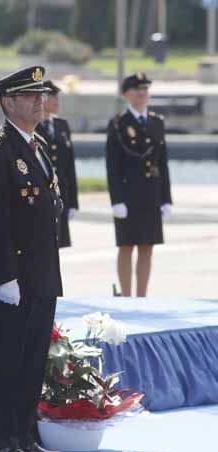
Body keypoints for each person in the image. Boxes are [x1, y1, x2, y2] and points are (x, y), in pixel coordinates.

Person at [0, 66, 63, 452]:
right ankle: (1, 438)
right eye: (29, 95)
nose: (39, 101)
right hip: (15, 273)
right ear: (8, 102)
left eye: (41, 94)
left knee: (33, 359)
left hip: (42, 271)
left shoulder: (37, 144)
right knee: (7, 357)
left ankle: (25, 432)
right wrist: (3, 274)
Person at [106, 73, 172, 297]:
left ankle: (142, 297)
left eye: (145, 89)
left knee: (147, 247)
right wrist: (116, 200)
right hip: (128, 195)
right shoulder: (118, 124)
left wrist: (166, 198)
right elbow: (112, 166)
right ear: (126, 94)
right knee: (126, 246)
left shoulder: (156, 122)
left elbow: (162, 164)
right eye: (136, 89)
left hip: (151, 194)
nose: (142, 93)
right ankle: (126, 296)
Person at [36, 80, 79, 248]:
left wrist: (74, 201)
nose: (56, 101)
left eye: (57, 96)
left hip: (61, 195)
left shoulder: (62, 125)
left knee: (57, 247)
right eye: (52, 96)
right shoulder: (32, 127)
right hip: (42, 196)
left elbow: (69, 166)